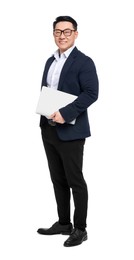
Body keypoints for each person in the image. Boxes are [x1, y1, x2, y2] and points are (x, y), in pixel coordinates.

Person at [37, 15, 99, 247]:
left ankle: (80, 229)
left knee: (75, 180)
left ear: (75, 34)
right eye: (57, 31)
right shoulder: (50, 61)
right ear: (53, 34)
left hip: (71, 131)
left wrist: (66, 113)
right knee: (57, 179)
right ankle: (64, 223)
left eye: (67, 31)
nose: (62, 36)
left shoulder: (84, 62)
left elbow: (91, 93)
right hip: (48, 129)